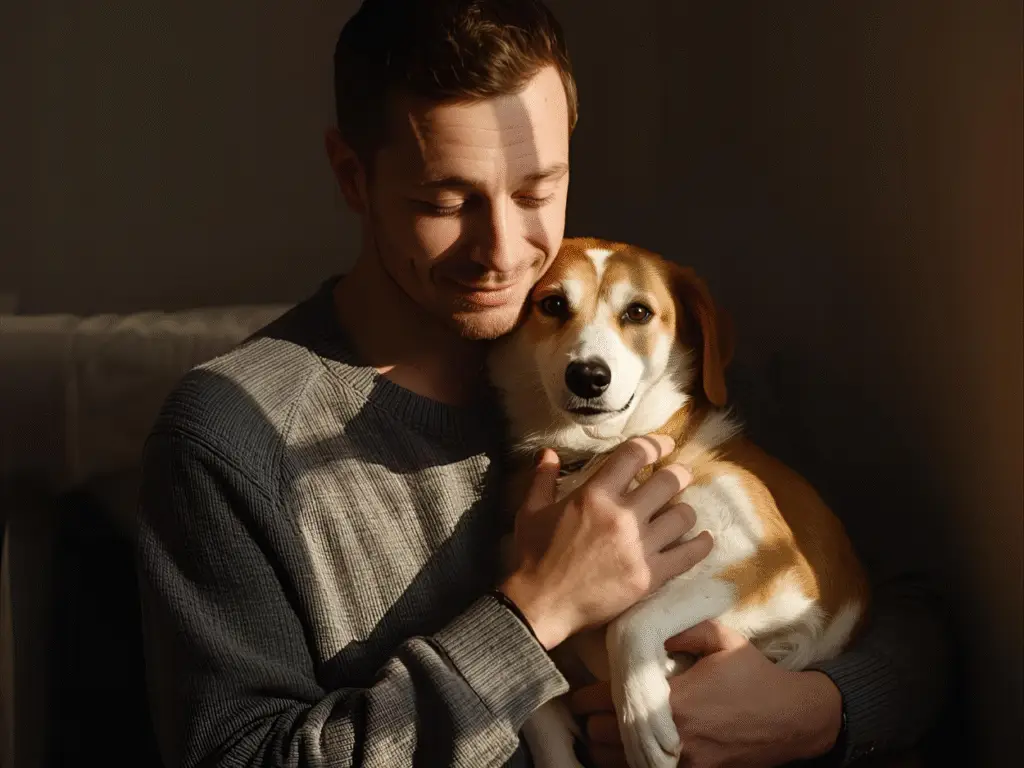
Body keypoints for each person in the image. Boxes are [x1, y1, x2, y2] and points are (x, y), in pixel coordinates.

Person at [135, 1, 950, 766]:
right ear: (353, 177)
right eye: (445, 200)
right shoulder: (235, 440)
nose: (503, 251)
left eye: (537, 192)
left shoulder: (670, 375)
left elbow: (932, 623)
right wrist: (534, 618)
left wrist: (813, 714)